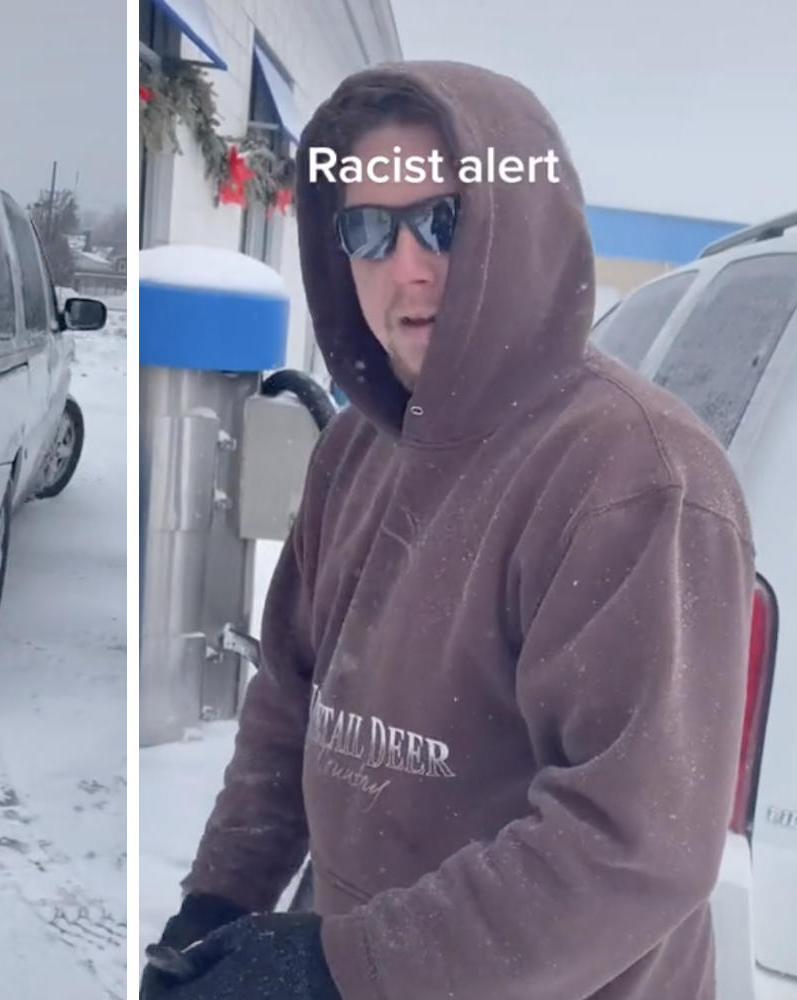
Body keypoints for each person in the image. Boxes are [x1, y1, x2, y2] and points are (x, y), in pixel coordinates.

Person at [142, 62, 755, 1000]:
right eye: (368, 230)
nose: (409, 266)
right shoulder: (355, 448)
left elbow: (632, 846)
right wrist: (219, 903)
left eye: (445, 220)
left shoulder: (634, 476)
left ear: (523, 231)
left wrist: (339, 971)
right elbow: (289, 706)